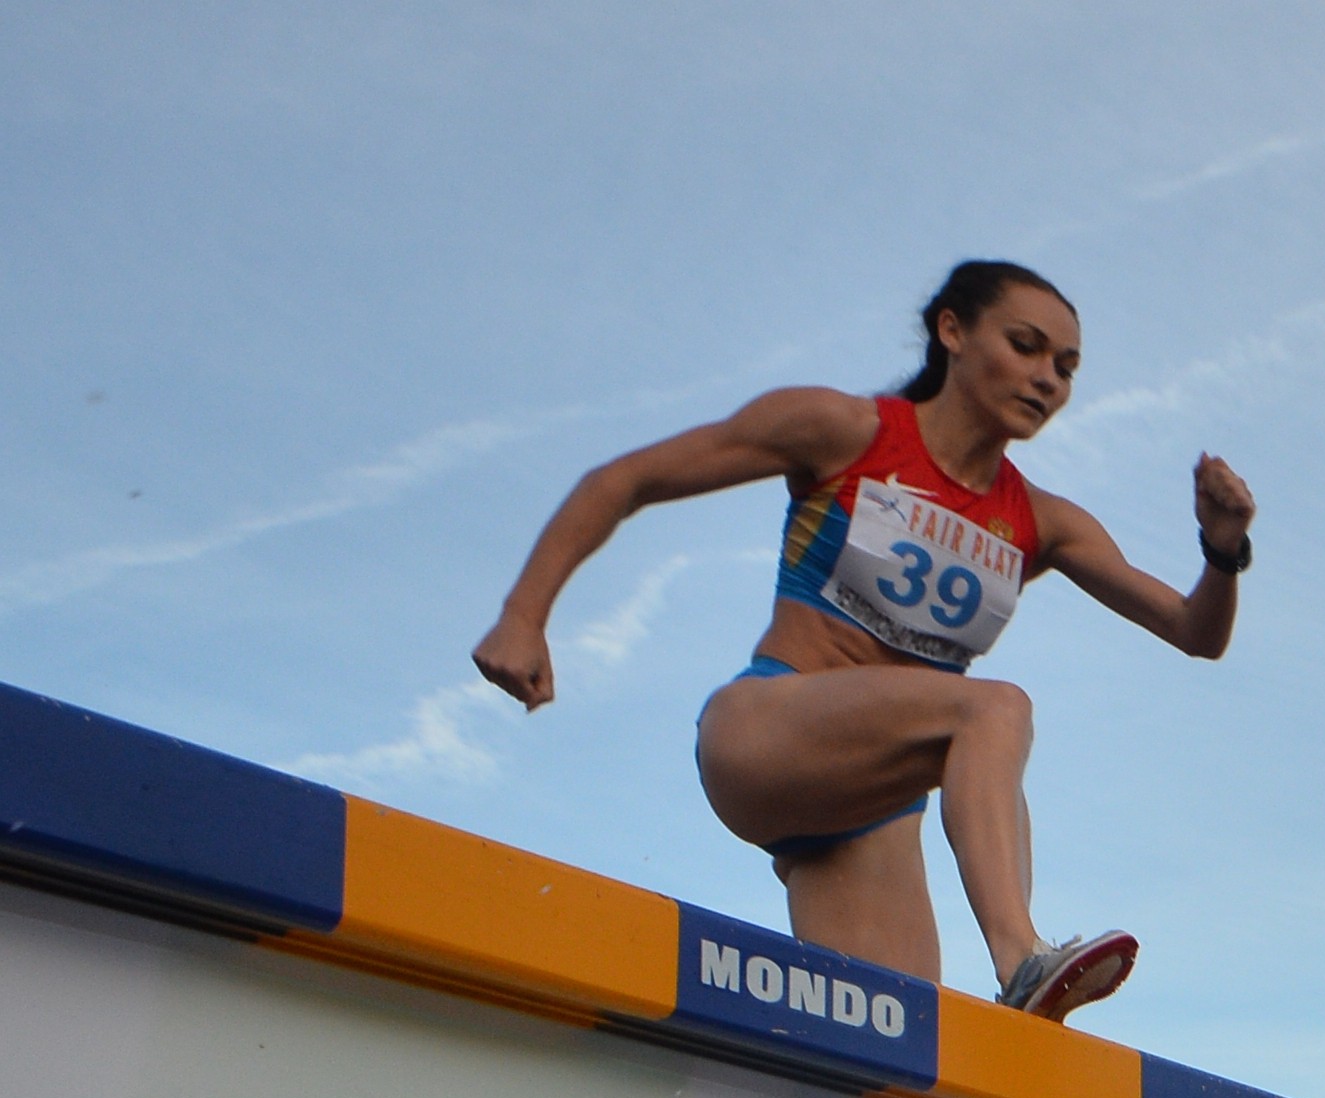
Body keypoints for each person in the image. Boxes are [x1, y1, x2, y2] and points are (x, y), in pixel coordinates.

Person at [472, 260, 1257, 1020]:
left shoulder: (1044, 522)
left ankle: (1003, 1017)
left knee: (901, 1045)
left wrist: (1222, 550)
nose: (1049, 377)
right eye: (1025, 346)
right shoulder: (843, 430)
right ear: (952, 330)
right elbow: (624, 479)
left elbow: (1194, 632)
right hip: (768, 729)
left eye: (1068, 364)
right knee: (995, 710)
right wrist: (524, 615)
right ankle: (1022, 958)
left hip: (869, 806)